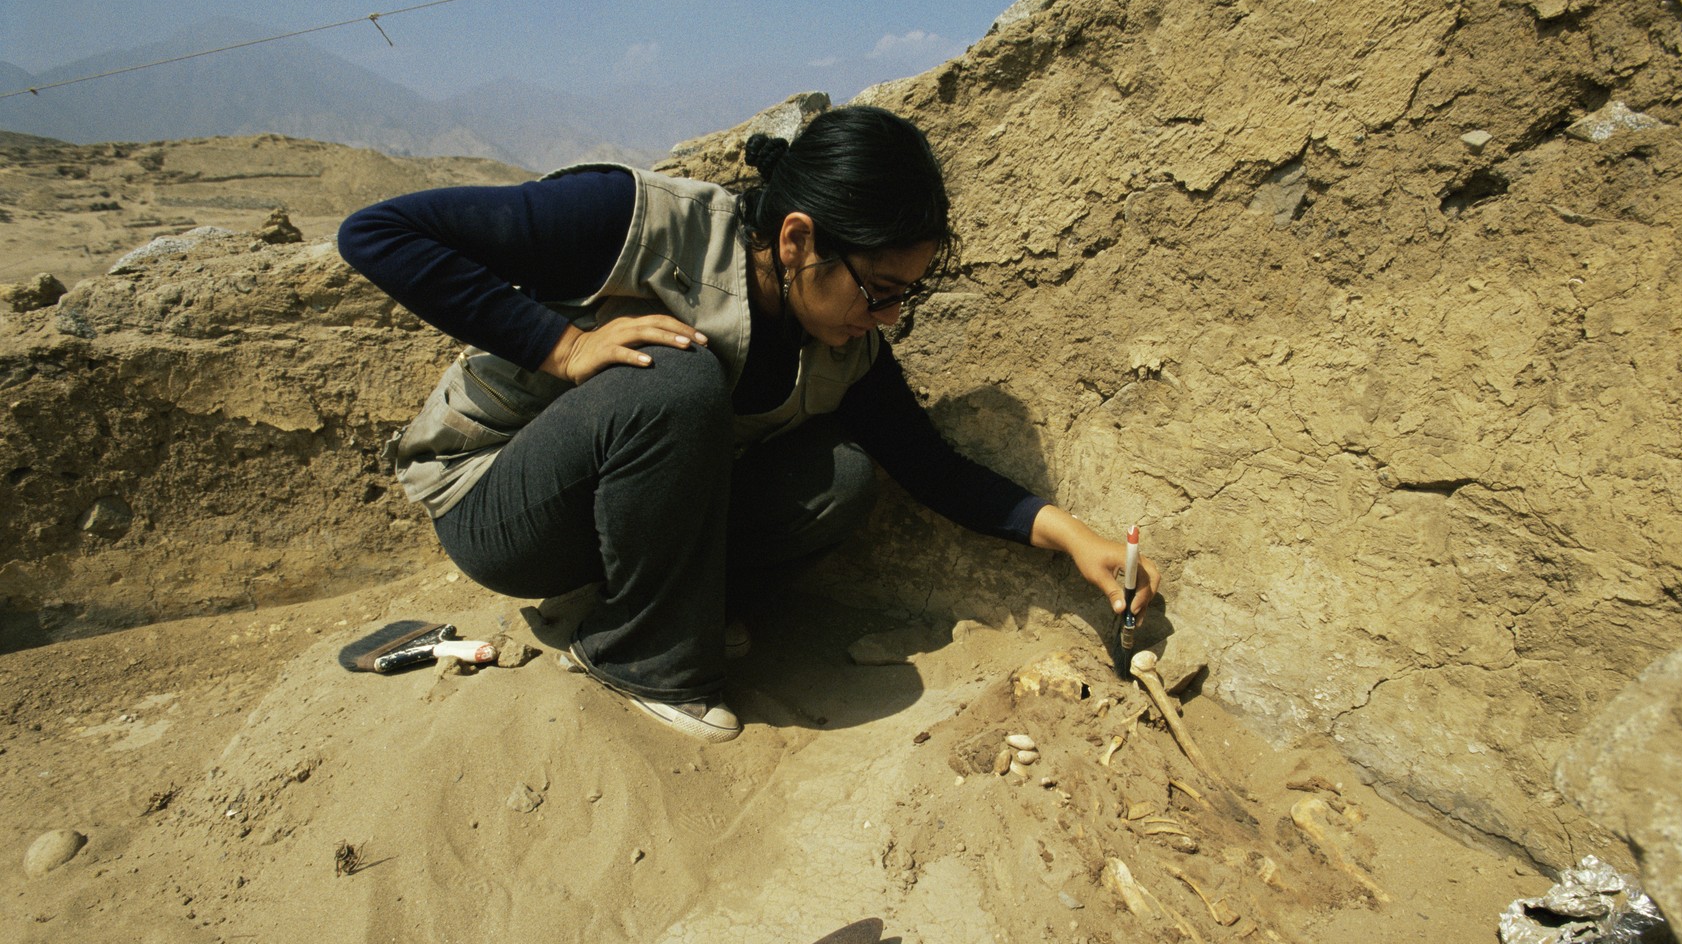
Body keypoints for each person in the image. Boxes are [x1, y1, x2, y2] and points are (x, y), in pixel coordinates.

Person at [338, 105, 1159, 742]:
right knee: (678, 372)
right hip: (494, 500)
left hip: (606, 523)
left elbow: (929, 464)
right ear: (799, 239)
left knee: (842, 475)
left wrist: (1074, 538)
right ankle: (641, 657)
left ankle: (636, 613)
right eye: (879, 289)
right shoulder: (635, 223)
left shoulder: (844, 345)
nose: (890, 316)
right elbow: (380, 233)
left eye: (906, 293)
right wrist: (565, 345)